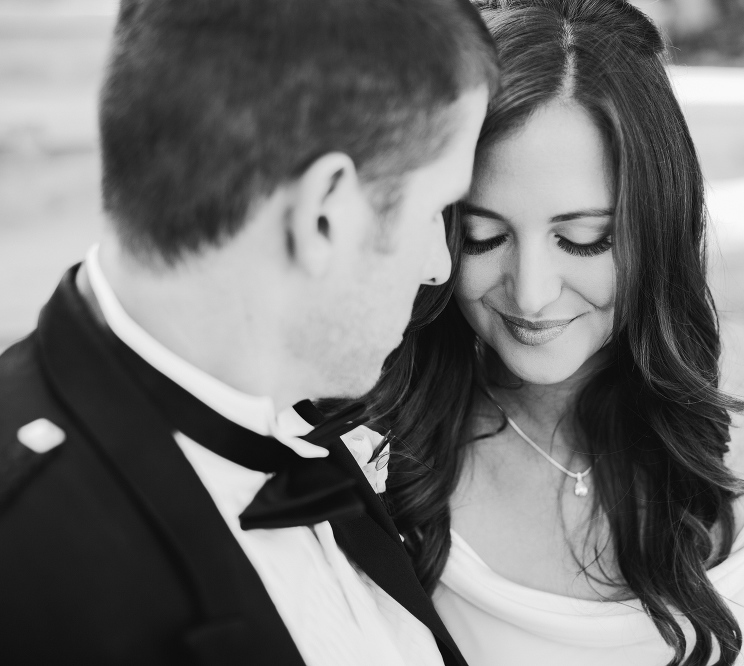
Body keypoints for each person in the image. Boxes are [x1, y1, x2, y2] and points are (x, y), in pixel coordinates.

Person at [358, 1, 744, 664]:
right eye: (485, 236)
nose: (533, 292)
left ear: (656, 224)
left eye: (584, 239)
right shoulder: (385, 430)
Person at [0, 1, 497, 664]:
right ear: (323, 215)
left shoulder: (299, 406)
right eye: (436, 207)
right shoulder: (28, 563)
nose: (440, 267)